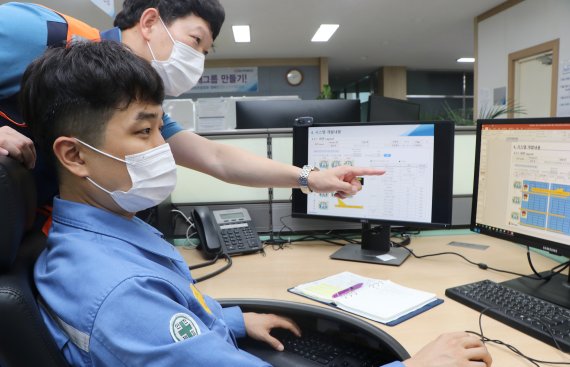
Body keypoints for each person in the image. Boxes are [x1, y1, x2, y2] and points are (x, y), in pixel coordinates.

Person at [22, 41, 492, 367]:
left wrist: (231, 320)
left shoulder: (101, 238)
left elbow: (171, 317)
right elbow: (143, 315)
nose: (164, 149)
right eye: (145, 132)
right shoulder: (120, 290)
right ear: (74, 155)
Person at [0, 0, 377, 222]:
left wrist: (311, 178)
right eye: (194, 40)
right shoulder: (43, 33)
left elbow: (215, 158)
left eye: (204, 52)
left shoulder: (134, 104)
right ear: (149, 22)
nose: (196, 59)